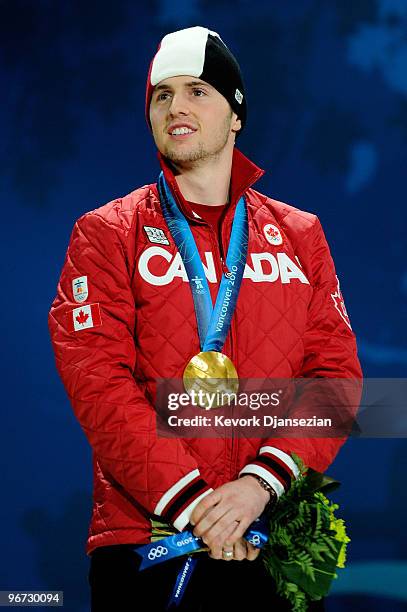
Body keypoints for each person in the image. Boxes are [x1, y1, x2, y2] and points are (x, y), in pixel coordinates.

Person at [48, 26, 362, 611]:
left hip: (271, 535)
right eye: (162, 95)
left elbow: (337, 380)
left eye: (197, 91)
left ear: (235, 115)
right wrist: (197, 505)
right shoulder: (107, 233)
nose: (176, 107)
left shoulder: (301, 235)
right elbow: (97, 380)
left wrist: (257, 486)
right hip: (150, 540)